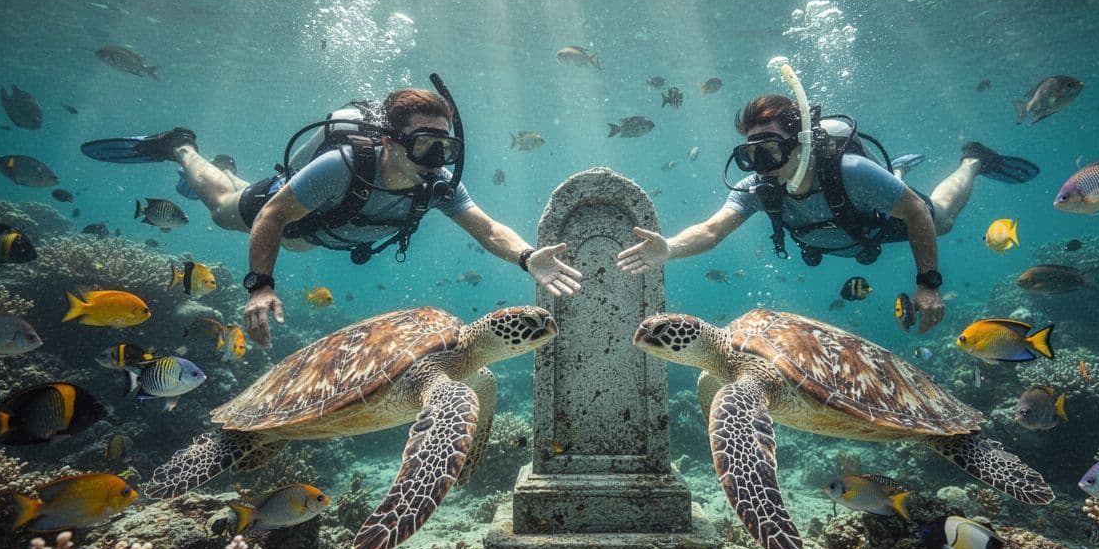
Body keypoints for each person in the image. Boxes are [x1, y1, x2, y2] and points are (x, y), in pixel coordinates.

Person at [82, 85, 582, 346]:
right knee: (223, 209)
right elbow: (275, 217)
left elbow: (488, 228)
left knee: (247, 200)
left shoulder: (438, 183)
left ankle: (216, 166)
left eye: (444, 146)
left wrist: (528, 257)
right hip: (290, 216)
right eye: (424, 143)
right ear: (390, 140)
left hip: (319, 232)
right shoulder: (340, 167)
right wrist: (260, 286)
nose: (436, 157)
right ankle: (183, 149)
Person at [616, 95, 1038, 333]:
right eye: (750, 154)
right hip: (848, 225)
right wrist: (668, 248)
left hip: (873, 220)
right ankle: (895, 174)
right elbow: (710, 231)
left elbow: (915, 213)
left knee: (941, 217)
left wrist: (928, 284)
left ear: (800, 143)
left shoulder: (849, 171)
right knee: (892, 189)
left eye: (770, 149)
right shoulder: (760, 188)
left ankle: (972, 162)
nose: (762, 164)